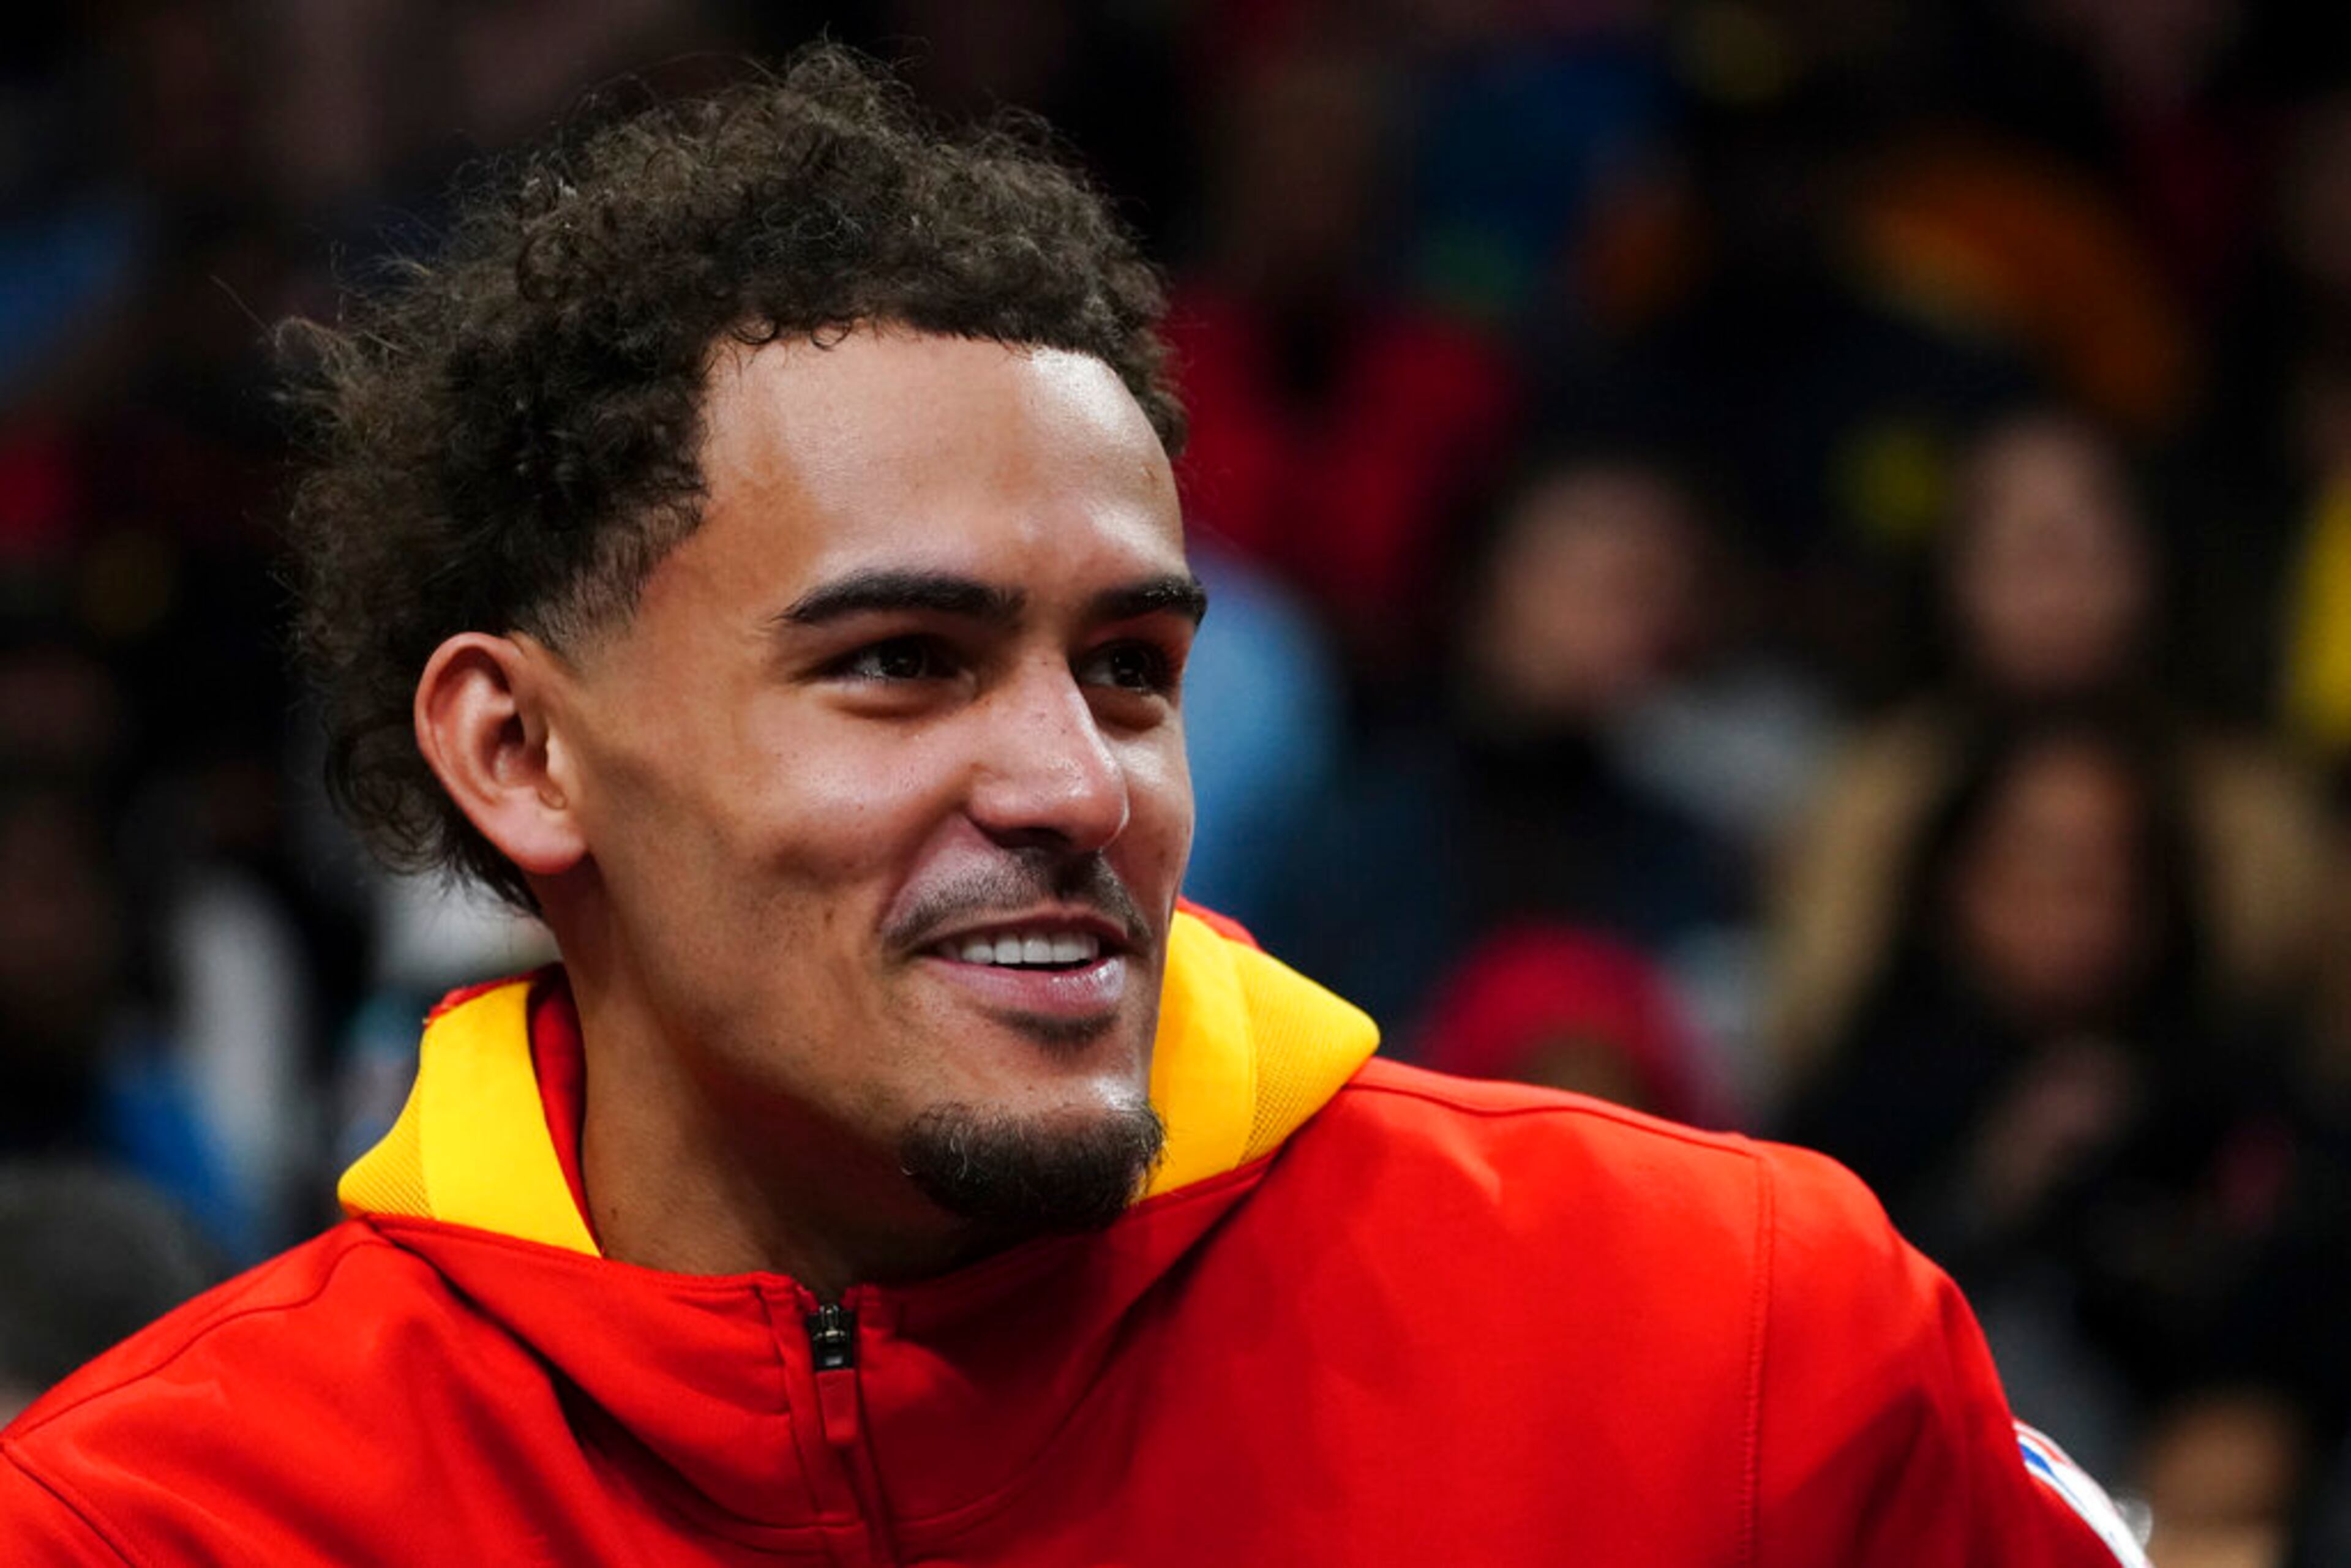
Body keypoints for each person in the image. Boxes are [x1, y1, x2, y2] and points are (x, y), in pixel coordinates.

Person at [0, 46, 2148, 1566]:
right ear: (517, 753)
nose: (1073, 783)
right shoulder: (172, 1520)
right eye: (899, 664)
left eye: (1130, 666)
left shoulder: (1737, 1343)